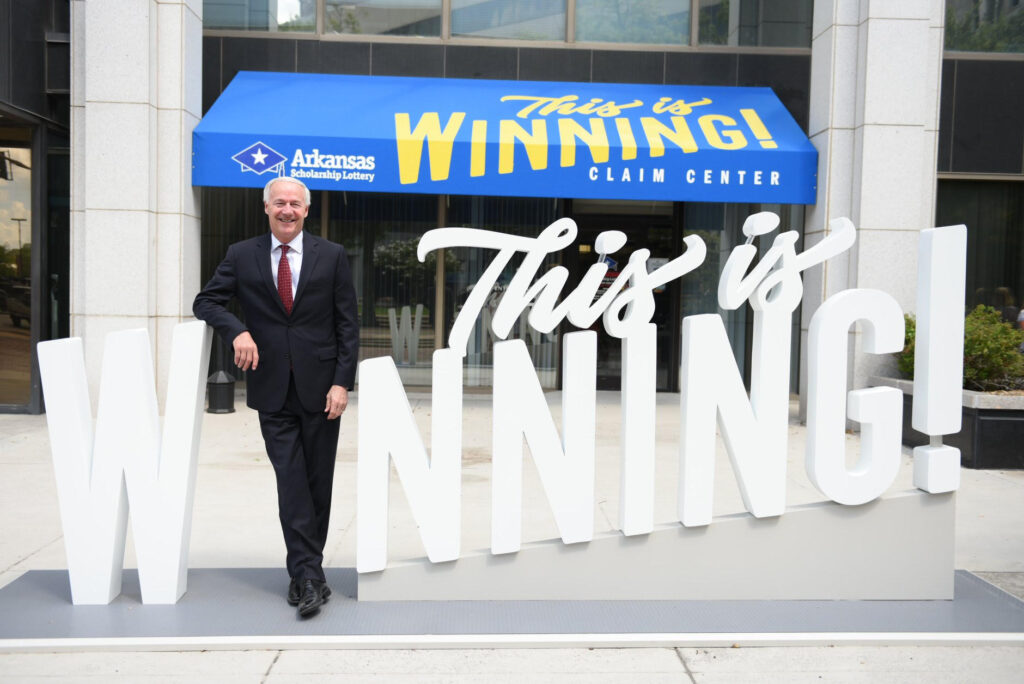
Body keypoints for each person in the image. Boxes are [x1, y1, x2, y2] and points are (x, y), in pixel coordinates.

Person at [193, 176, 358, 618]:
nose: (287, 210)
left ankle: (307, 574)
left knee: (317, 483)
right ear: (266, 207)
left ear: (306, 210)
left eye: (295, 204)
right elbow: (206, 302)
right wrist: (238, 331)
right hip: (271, 389)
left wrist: (342, 382)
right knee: (291, 480)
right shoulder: (241, 255)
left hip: (322, 389)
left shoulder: (332, 255)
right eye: (280, 202)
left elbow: (347, 324)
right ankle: (308, 575)